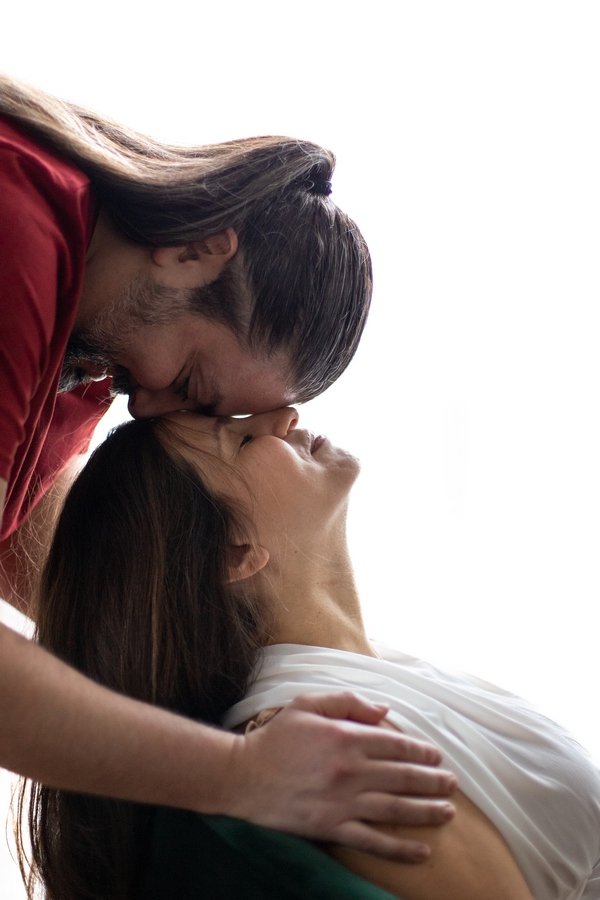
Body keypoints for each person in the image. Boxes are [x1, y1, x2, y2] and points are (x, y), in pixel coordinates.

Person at [0, 74, 456, 859]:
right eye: (191, 384)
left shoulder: (93, 356)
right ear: (198, 249)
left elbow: (31, 540)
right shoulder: (18, 231)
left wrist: (206, 652)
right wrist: (242, 775)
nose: (149, 412)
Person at [20, 408, 600, 899]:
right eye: (242, 438)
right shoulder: (322, 746)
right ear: (234, 552)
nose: (284, 414)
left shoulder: (377, 671)